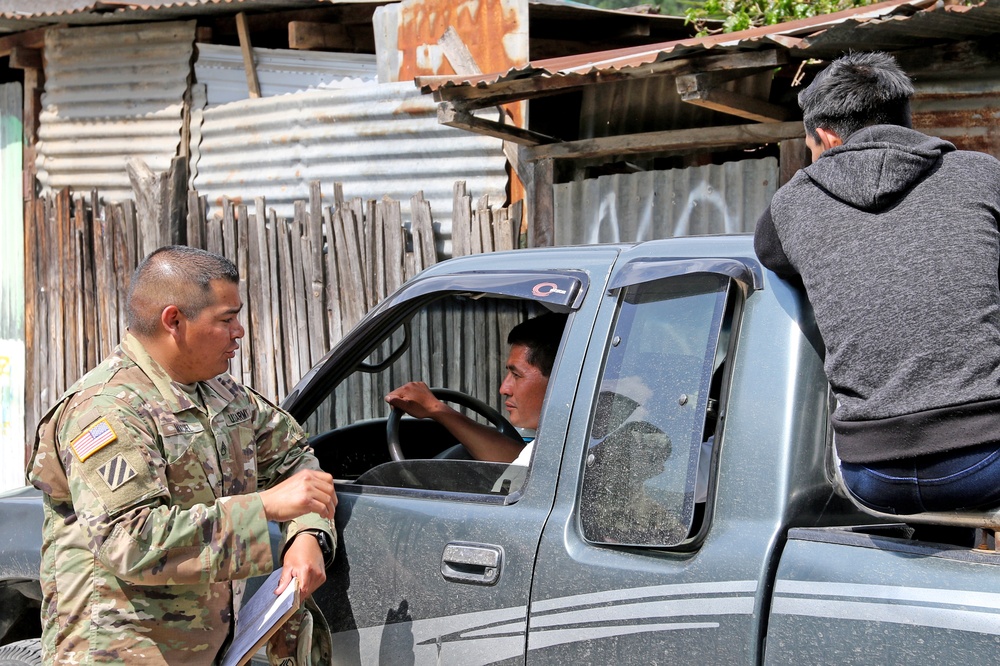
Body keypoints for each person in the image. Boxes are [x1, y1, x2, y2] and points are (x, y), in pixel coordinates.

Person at [27, 246, 338, 663]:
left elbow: (295, 461)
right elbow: (130, 539)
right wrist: (263, 506)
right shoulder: (105, 409)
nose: (240, 331)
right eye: (227, 319)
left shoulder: (222, 395)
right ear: (174, 320)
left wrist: (306, 536)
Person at [754, 51, 1000, 515]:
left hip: (871, 472)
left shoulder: (791, 206)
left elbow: (769, 253)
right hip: (988, 458)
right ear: (909, 122)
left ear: (825, 136)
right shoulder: (982, 175)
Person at [385, 311, 567, 464]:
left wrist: (436, 408)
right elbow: (517, 462)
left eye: (517, 375)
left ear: (560, 380)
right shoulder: (557, 443)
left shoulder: (565, 449)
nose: (504, 389)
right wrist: (438, 411)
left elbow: (519, 473)